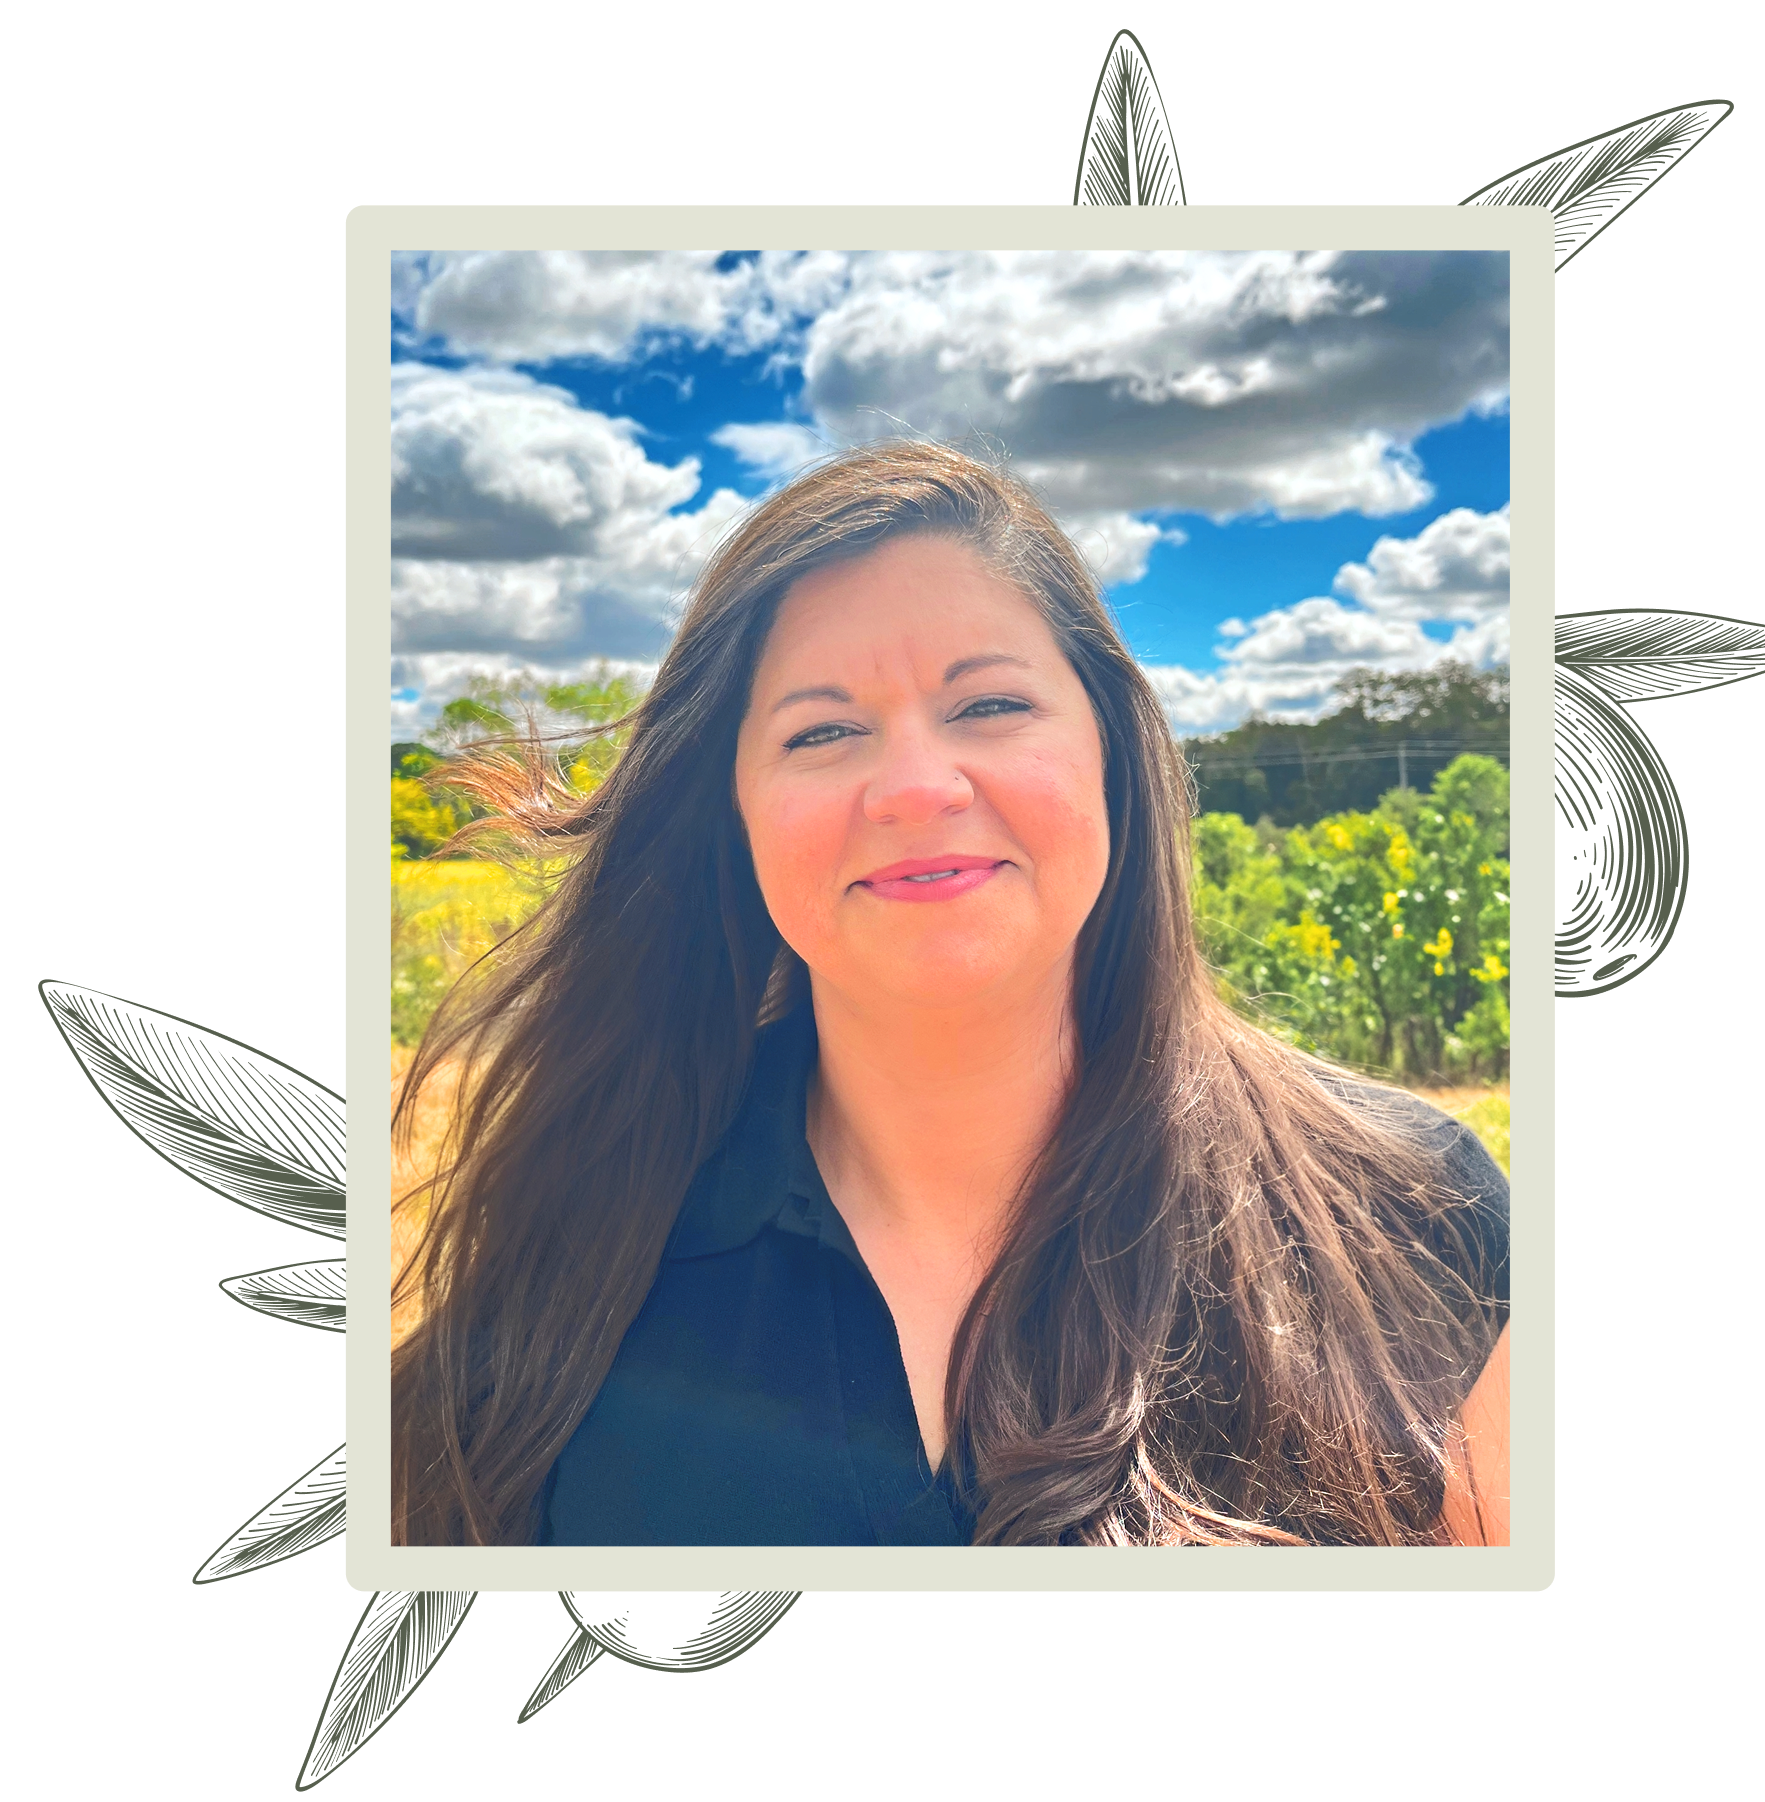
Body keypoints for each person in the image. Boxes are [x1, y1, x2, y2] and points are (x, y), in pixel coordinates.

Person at [391, 440, 1510, 1548]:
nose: (918, 786)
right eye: (822, 730)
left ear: (1113, 752)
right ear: (732, 813)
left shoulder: (1415, 1215)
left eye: (988, 704)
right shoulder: (582, 1230)